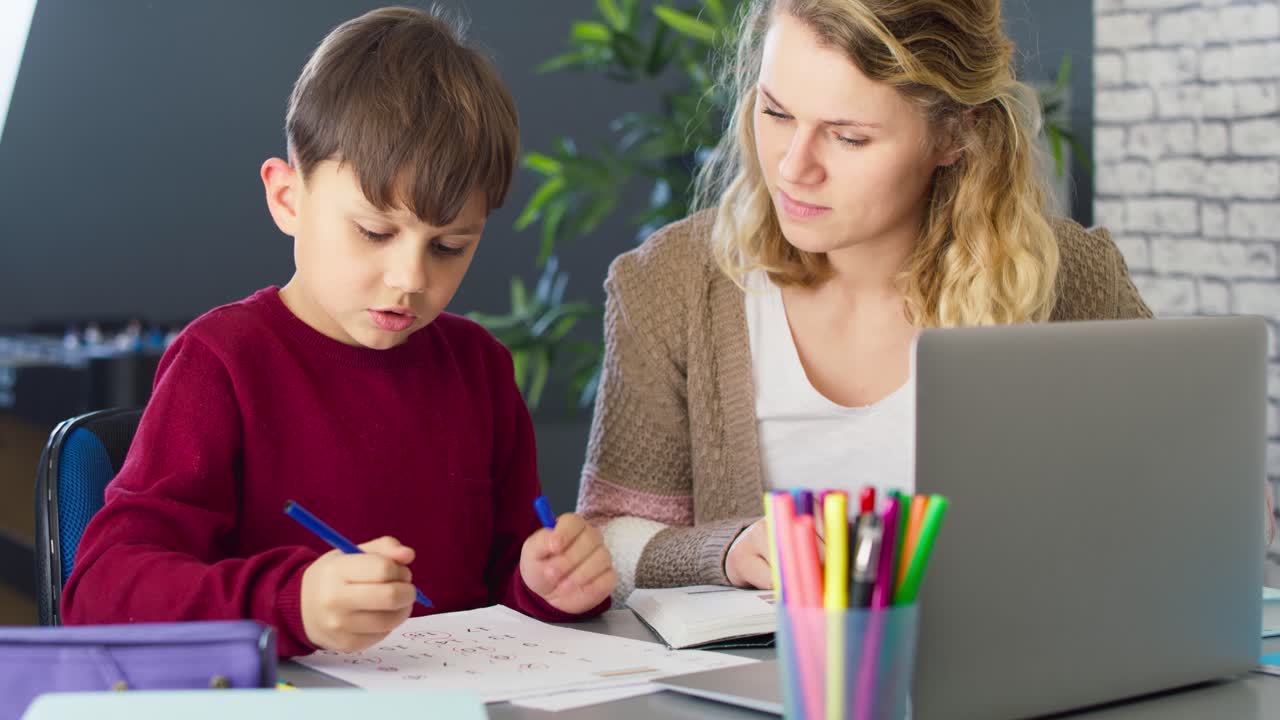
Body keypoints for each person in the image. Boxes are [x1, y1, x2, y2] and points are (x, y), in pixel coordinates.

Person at [577, 0, 1276, 600]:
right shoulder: (672, 282)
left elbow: (1218, 519)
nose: (793, 166)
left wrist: (1221, 505)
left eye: (848, 136)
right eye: (776, 112)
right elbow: (605, 537)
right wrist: (726, 553)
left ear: (954, 133)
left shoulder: (1068, 277)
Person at [63, 7, 615, 657]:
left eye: (449, 246)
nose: (409, 278)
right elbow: (101, 592)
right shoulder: (222, 362)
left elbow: (506, 582)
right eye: (375, 232)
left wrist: (547, 582)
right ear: (288, 198)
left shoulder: (480, 369)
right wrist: (292, 603)